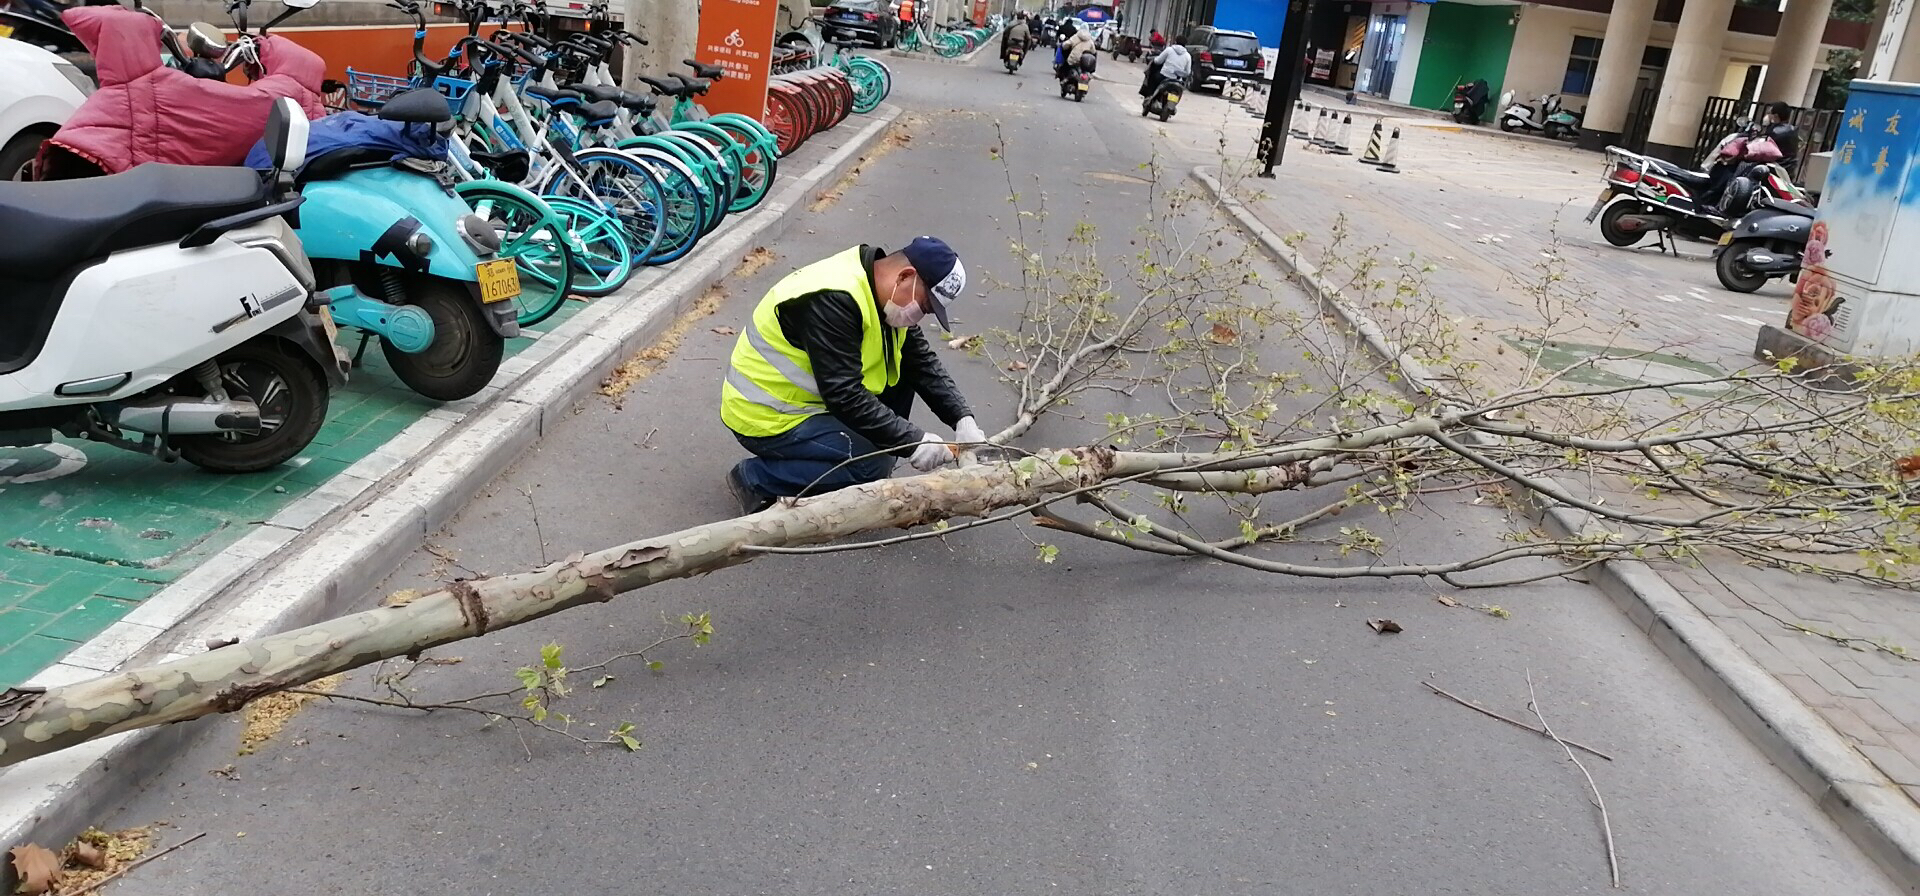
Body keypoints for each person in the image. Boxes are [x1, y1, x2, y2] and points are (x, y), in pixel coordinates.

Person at [720, 238, 987, 514]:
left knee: (900, 379)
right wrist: (913, 442)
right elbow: (844, 395)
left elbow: (921, 363)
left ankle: (852, 460)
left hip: (810, 403)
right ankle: (756, 478)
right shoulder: (833, 299)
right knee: (873, 463)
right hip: (764, 414)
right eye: (924, 305)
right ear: (905, 276)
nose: (920, 316)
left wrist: (961, 417)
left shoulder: (881, 295)